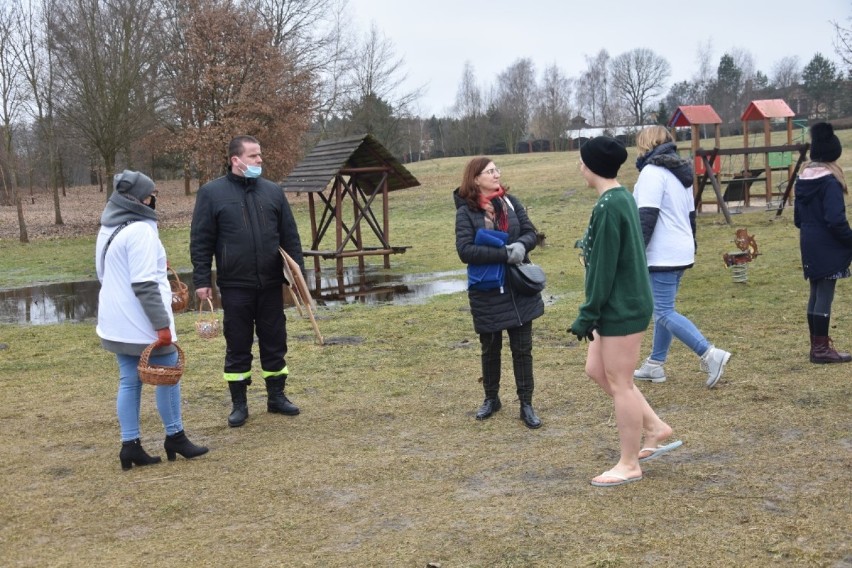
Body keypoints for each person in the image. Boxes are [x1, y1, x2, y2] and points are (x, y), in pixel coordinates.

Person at [571, 137, 682, 487]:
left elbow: (604, 269)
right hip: (620, 302)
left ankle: (629, 463)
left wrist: (587, 314)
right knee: (596, 369)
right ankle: (655, 426)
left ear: (591, 167)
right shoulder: (620, 198)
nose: (580, 167)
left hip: (621, 306)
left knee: (621, 383)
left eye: (581, 162)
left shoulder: (610, 205)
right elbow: (611, 249)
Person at [96, 170, 208, 470]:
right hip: (142, 322)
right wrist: (161, 326)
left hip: (115, 321)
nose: (153, 198)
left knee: (129, 381)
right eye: (150, 194)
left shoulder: (109, 225)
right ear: (139, 198)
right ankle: (176, 436)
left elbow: (104, 273)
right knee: (169, 375)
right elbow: (144, 284)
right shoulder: (141, 231)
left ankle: (130, 446)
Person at [191, 135, 306, 427]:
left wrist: (298, 276)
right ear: (236, 160)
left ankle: (277, 398)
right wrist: (202, 280)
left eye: (260, 155)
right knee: (238, 344)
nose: (260, 161)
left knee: (275, 341)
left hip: (270, 284)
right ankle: (239, 405)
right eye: (254, 156)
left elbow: (290, 237)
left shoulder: (273, 192)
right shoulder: (211, 193)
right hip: (235, 286)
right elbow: (201, 241)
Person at [630, 126, 731, 388]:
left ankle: (709, 353)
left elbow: (646, 218)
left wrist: (634, 255)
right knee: (665, 310)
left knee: (662, 311)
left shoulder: (652, 173)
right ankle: (655, 364)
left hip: (663, 253)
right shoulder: (680, 173)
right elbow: (690, 216)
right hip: (680, 249)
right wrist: (691, 246)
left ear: (645, 144)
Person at [454, 157, 545, 429]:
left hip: (518, 287)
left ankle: (526, 404)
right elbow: (465, 250)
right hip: (487, 289)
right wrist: (503, 253)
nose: (496, 174)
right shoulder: (466, 212)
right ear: (475, 178)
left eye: (497, 170)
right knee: (490, 348)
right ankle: (491, 399)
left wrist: (520, 246)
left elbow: (531, 232)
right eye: (490, 171)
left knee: (522, 349)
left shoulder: (511, 202)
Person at [794, 122, 852, 364]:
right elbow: (835, 219)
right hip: (827, 244)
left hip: (809, 241)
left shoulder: (802, 179)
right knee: (825, 293)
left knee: (817, 291)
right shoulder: (829, 182)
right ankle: (821, 349)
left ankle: (816, 345)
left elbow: (798, 219)